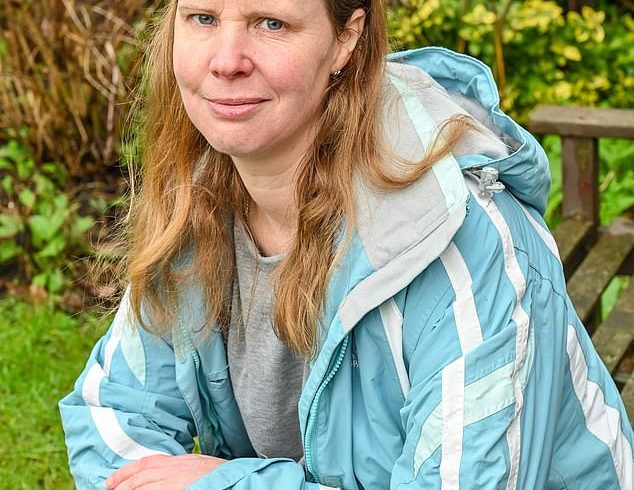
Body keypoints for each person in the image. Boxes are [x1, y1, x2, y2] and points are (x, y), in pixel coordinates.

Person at [59, 0, 633, 488]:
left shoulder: (458, 240)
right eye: (203, 18)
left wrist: (222, 483)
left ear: (346, 38)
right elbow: (112, 413)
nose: (226, 60)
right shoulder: (199, 203)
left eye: (271, 23)